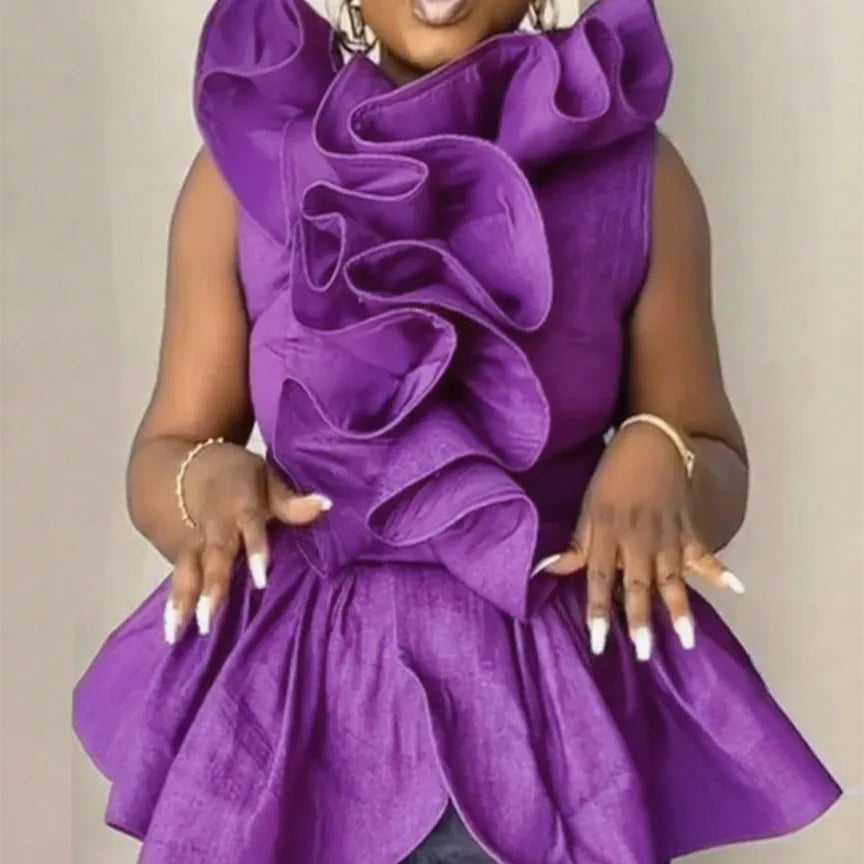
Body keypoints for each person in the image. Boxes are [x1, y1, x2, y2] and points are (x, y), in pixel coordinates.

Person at [73, 0, 841, 861]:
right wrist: (207, 484)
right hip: (293, 711)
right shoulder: (247, 164)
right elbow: (163, 454)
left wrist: (661, 455)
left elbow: (717, 460)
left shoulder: (639, 176)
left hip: (553, 718)